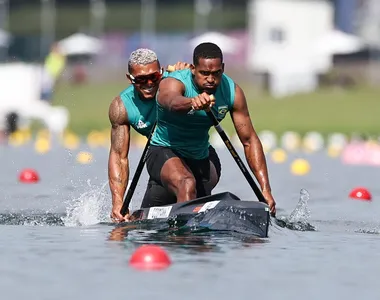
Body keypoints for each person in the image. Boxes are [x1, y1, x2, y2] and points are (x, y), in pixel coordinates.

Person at [146, 42, 276, 215]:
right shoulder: (175, 81)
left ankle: (192, 230)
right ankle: (185, 239)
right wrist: (192, 102)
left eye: (216, 73)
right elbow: (170, 101)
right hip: (164, 150)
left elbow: (249, 140)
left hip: (200, 155)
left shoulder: (232, 92)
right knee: (186, 183)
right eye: (204, 73)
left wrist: (265, 189)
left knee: (197, 186)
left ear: (223, 68)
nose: (210, 79)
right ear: (193, 69)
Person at [108, 48, 222, 223]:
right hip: (164, 158)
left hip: (198, 155)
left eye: (154, 77)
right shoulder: (122, 107)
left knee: (188, 185)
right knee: (141, 222)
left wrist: (185, 75)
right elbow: (118, 157)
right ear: (130, 79)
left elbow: (199, 79)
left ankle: (187, 235)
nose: (149, 83)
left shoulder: (174, 82)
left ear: (161, 73)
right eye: (140, 79)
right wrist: (118, 203)